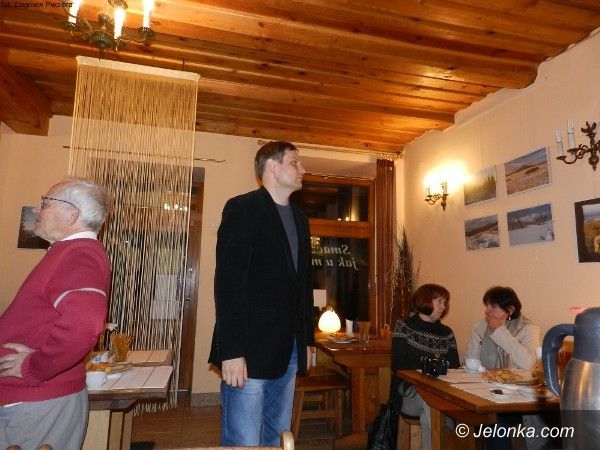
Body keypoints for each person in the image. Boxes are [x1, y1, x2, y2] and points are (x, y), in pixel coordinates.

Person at [208, 141, 314, 446]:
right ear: (272, 166)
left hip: (289, 349)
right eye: (295, 162)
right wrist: (231, 351)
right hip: (248, 350)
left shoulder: (301, 219)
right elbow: (228, 284)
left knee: (278, 437)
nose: (302, 169)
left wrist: (307, 341)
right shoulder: (243, 209)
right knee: (244, 440)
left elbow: (304, 285)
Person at [0, 178, 111, 450]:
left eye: (46, 203)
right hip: (34, 401)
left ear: (72, 215)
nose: (36, 210)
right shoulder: (68, 252)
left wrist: (34, 367)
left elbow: (84, 325)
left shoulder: (79, 255)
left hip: (37, 404)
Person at [466, 286, 547, 450]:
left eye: (493, 307)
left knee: (495, 423)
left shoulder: (528, 328)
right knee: (478, 417)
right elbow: (471, 363)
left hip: (518, 399)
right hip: (486, 394)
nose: (487, 311)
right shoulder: (479, 328)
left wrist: (500, 331)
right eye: (487, 305)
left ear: (509, 310)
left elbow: (530, 365)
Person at [391, 284, 460, 450]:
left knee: (433, 407)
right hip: (409, 392)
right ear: (425, 301)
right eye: (439, 301)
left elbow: (455, 367)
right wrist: (433, 366)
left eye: (445, 302)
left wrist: (430, 366)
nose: (443, 306)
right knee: (431, 401)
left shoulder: (447, 333)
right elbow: (399, 364)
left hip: (440, 392)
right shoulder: (404, 326)